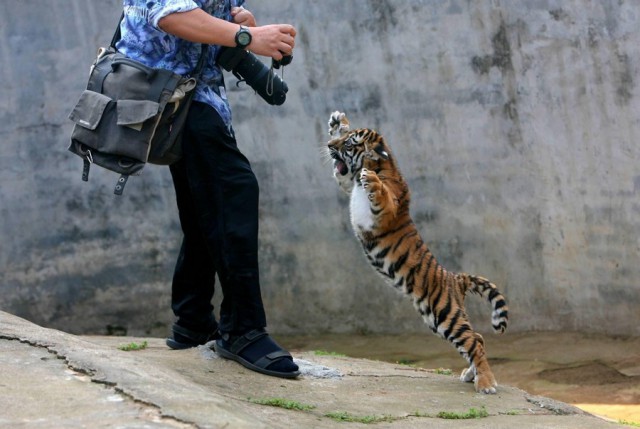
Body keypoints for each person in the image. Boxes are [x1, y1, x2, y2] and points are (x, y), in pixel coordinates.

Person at [116, 0, 299, 379]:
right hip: (160, 91)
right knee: (235, 189)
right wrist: (248, 35)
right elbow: (168, 13)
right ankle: (242, 331)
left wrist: (240, 20)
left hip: (195, 95)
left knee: (206, 205)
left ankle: (194, 319)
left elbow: (219, 16)